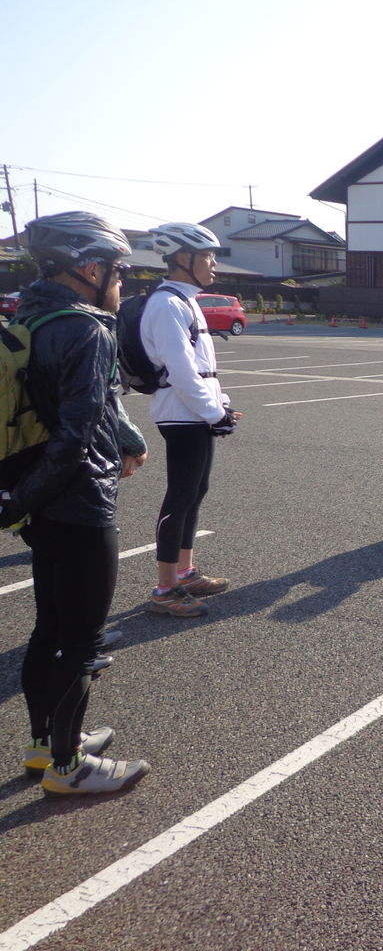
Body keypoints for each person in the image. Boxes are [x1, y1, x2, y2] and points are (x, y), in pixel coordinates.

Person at [7, 212, 151, 794]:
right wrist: (29, 497)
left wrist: (21, 500)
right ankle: (68, 769)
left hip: (39, 501)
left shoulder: (29, 316)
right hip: (79, 501)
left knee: (49, 626)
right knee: (82, 641)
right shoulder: (88, 329)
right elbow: (78, 432)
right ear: (90, 269)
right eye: (118, 270)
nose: (122, 281)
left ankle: (45, 746)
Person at [141, 222, 241, 617]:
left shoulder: (186, 300)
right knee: (180, 496)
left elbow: (202, 367)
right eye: (208, 256)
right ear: (184, 258)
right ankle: (165, 589)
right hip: (181, 414)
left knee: (196, 492)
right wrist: (215, 414)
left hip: (196, 412)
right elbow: (181, 371)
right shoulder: (166, 304)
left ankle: (184, 572)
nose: (214, 264)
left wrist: (221, 406)